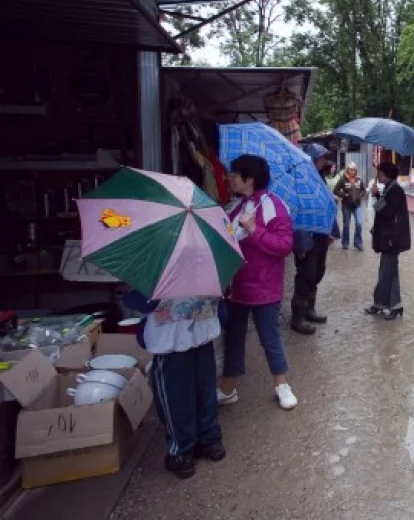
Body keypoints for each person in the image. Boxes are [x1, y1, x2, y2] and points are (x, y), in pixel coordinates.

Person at [218, 154, 298, 410]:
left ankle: (282, 385)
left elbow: (285, 246)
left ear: (249, 178)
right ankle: (228, 389)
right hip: (236, 287)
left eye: (234, 175)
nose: (229, 179)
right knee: (234, 339)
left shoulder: (275, 206)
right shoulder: (235, 207)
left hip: (264, 288)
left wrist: (254, 231)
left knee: (269, 339)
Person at [124, 291, 224, 479]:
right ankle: (211, 442)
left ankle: (182, 452)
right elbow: (223, 299)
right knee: (205, 392)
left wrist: (127, 292)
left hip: (170, 342)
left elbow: (140, 302)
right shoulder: (208, 265)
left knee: (175, 399)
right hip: (203, 334)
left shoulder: (155, 270)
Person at [290, 143, 338, 333]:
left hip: (320, 235)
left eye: (324, 158)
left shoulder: (320, 178)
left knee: (318, 272)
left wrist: (331, 230)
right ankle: (297, 318)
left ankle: (310, 309)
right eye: (321, 158)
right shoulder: (300, 180)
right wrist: (300, 243)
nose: (324, 161)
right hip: (306, 236)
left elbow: (326, 205)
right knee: (306, 275)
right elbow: (296, 211)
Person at [366, 162, 410, 319]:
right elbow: (386, 209)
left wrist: (377, 196)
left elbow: (387, 212)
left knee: (386, 272)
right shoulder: (390, 188)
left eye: (380, 173)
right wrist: (378, 195)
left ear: (387, 174)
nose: (378, 176)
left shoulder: (395, 190)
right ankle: (390, 305)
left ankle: (384, 304)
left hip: (392, 239)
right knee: (389, 272)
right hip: (389, 237)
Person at [334, 162, 367, 251]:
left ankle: (358, 243)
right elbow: (335, 190)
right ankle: (345, 243)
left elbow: (364, 190)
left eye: (354, 170)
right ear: (347, 170)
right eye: (351, 170)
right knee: (346, 225)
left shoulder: (359, 179)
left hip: (357, 205)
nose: (353, 171)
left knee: (359, 223)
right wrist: (344, 195)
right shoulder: (343, 179)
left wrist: (360, 195)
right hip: (346, 205)